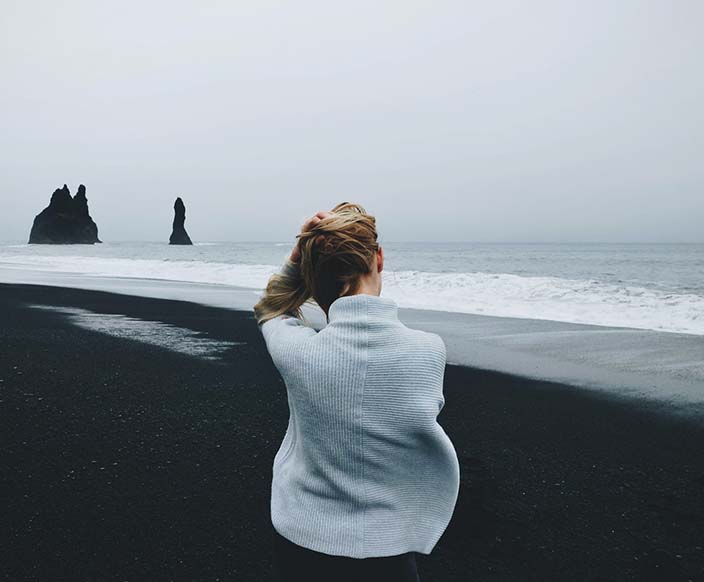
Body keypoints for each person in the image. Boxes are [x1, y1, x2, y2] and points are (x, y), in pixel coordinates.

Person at [253, 203, 460, 582]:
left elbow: (270, 307)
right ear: (378, 258)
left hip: (302, 539)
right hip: (388, 547)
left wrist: (298, 258)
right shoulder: (428, 351)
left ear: (314, 275)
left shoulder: (297, 351)